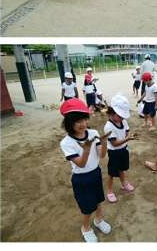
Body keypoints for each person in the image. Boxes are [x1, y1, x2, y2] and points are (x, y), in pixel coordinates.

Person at [59, 98, 112, 242]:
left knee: (99, 200)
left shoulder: (93, 133)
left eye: (84, 119)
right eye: (78, 121)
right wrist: (87, 149)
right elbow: (81, 164)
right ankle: (86, 228)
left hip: (95, 173)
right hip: (81, 178)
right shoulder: (66, 143)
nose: (83, 124)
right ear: (69, 122)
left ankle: (98, 220)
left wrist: (104, 143)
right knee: (87, 207)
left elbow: (101, 155)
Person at [104, 95, 136, 203]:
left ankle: (124, 183)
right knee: (112, 173)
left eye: (123, 116)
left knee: (122, 169)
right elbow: (114, 144)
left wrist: (129, 135)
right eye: (120, 116)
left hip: (123, 150)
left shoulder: (123, 121)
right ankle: (109, 191)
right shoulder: (108, 127)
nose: (122, 118)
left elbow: (127, 130)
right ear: (112, 112)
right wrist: (127, 139)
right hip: (114, 152)